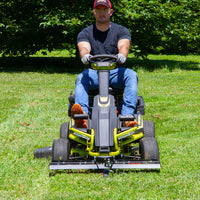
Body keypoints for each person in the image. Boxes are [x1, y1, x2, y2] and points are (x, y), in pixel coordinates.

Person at [71, 0, 138, 128]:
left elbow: (124, 45)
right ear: (93, 12)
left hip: (116, 73)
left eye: (104, 10)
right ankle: (82, 118)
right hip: (94, 73)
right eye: (98, 10)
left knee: (131, 75)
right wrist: (85, 55)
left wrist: (122, 55)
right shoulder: (85, 32)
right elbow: (84, 47)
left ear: (110, 12)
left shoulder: (121, 30)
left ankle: (127, 117)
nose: (102, 13)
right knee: (81, 78)